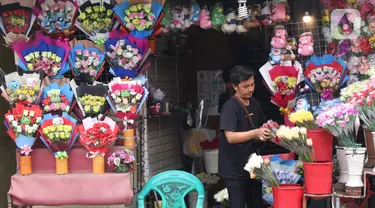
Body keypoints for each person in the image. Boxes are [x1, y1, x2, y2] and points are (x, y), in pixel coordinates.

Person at [219, 65, 271, 208]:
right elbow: (230, 137)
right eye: (246, 86)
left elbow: (261, 126)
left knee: (256, 204)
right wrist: (255, 133)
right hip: (233, 168)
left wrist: (266, 133)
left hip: (252, 166)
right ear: (235, 86)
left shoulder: (254, 103)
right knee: (237, 204)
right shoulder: (230, 106)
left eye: (253, 85)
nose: (250, 89)